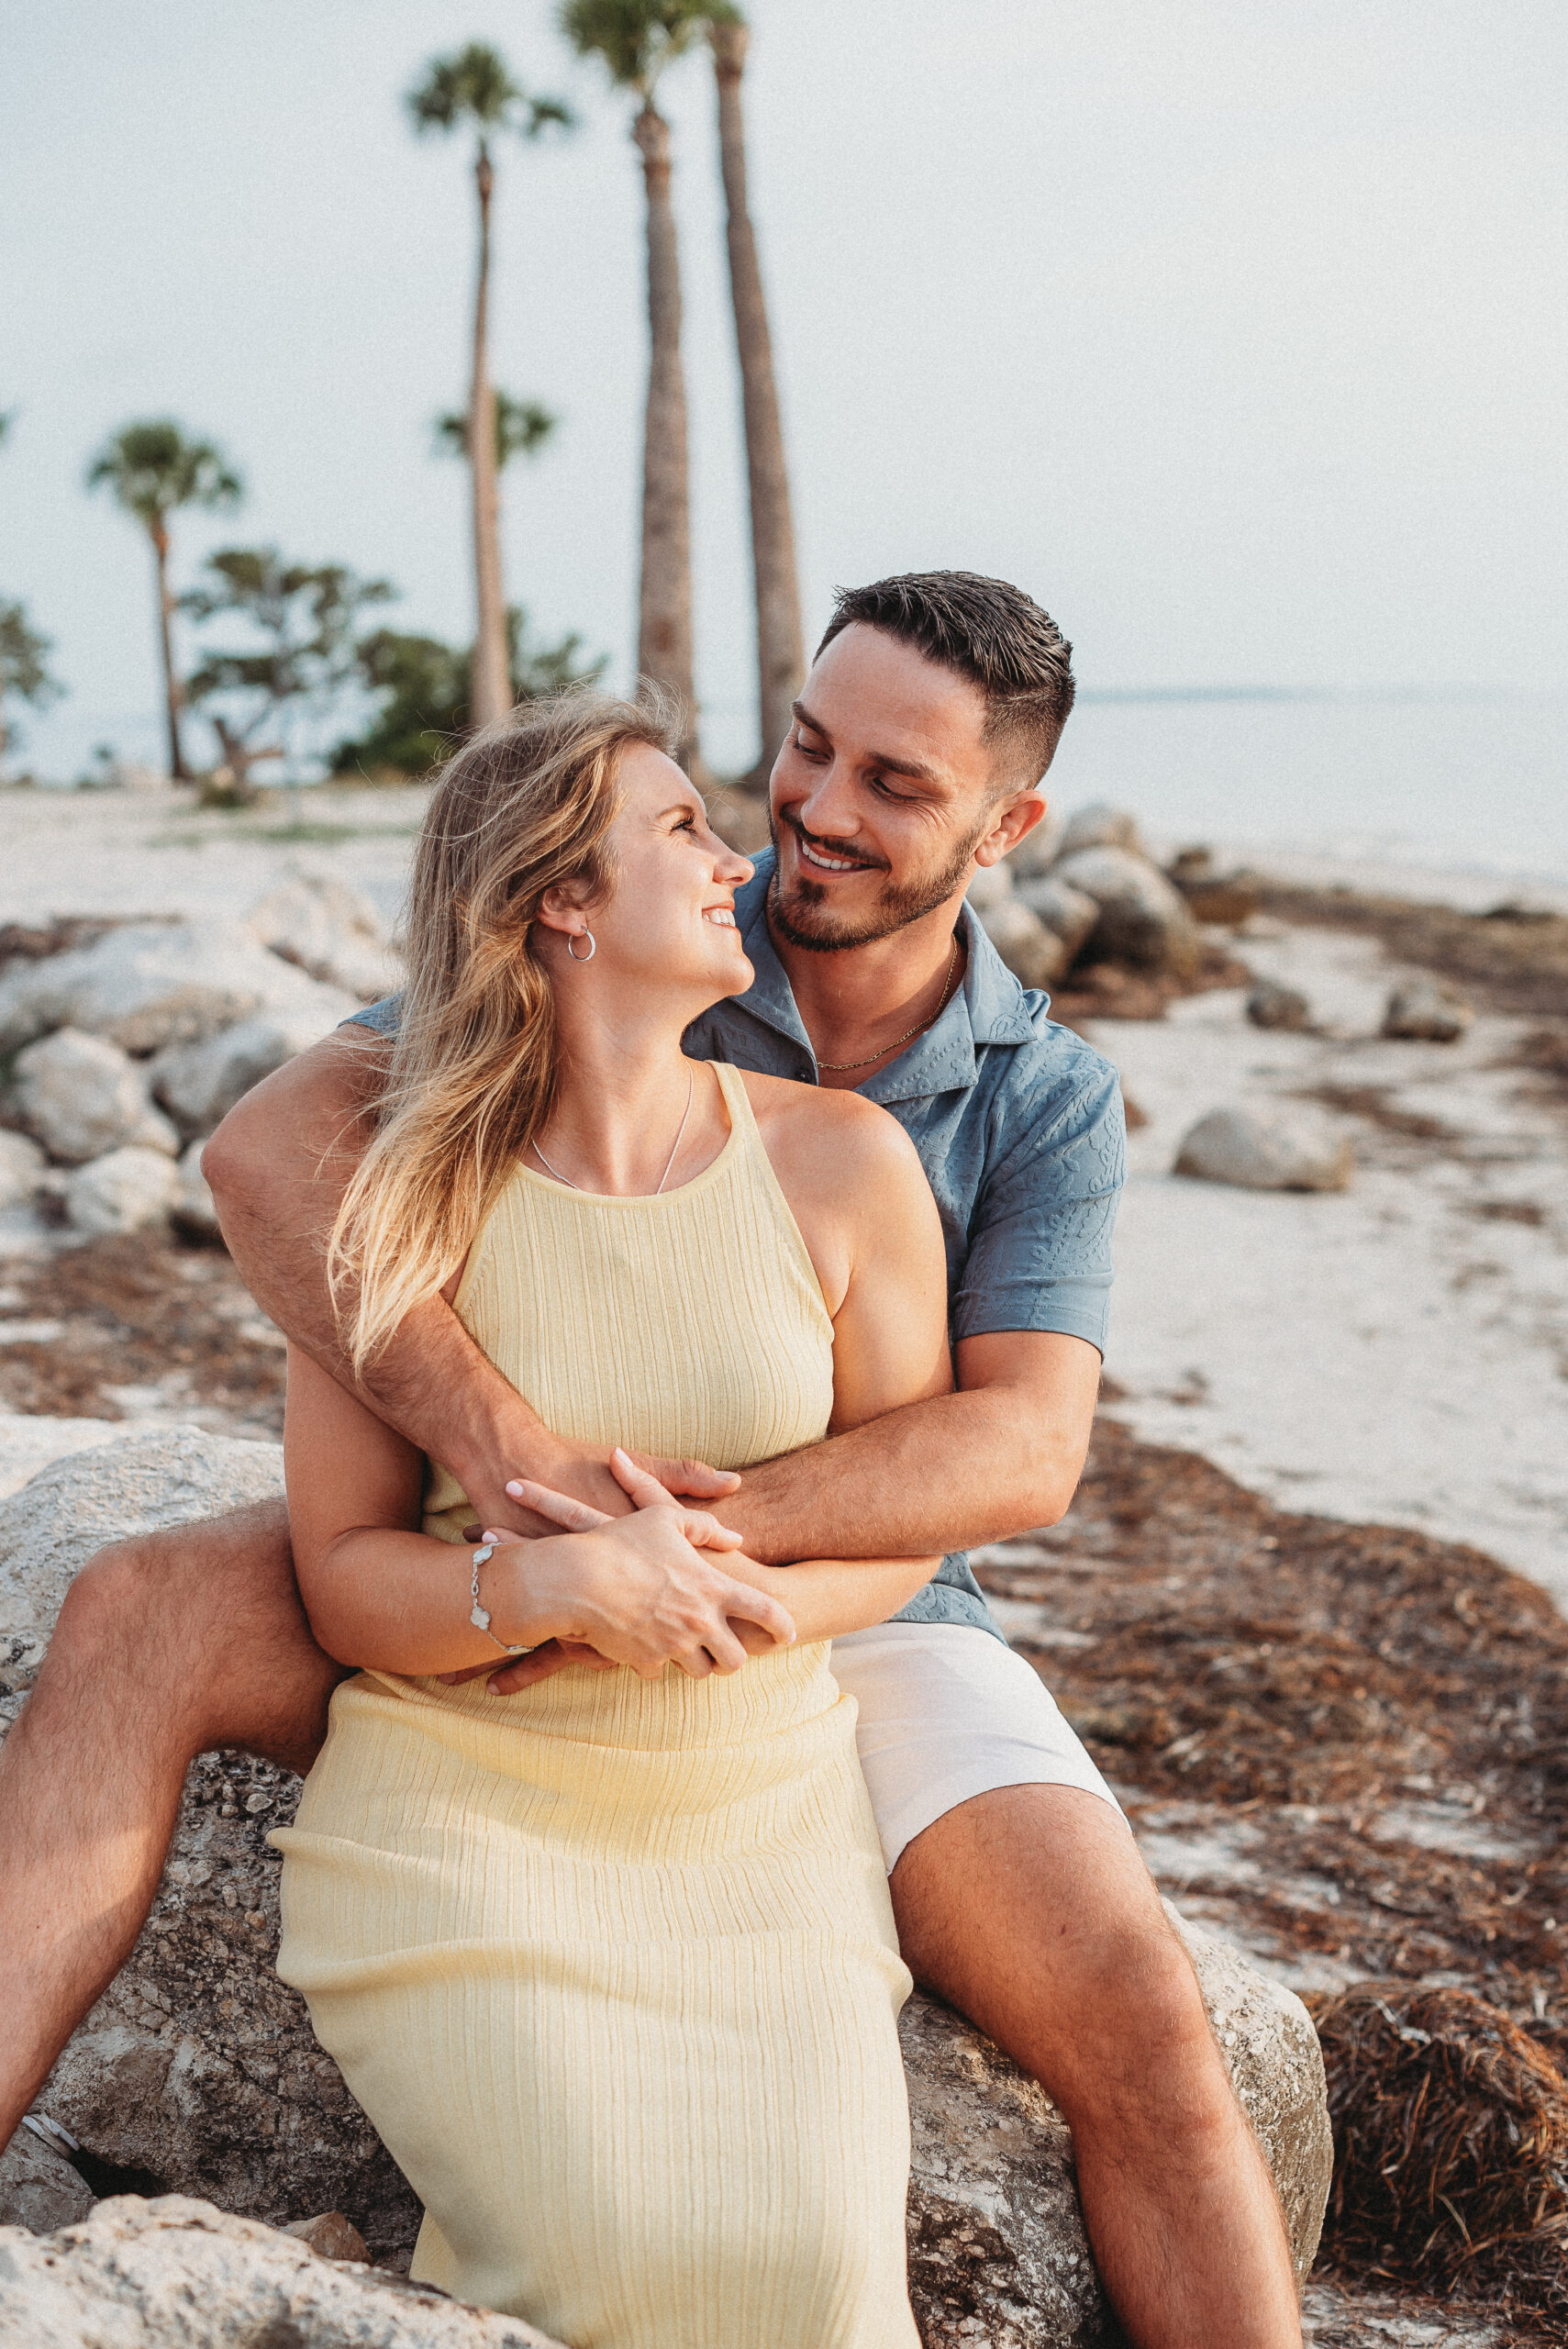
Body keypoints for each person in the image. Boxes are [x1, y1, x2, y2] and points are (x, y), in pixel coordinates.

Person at [0, 572, 1302, 2348]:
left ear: (1007, 827)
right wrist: (519, 1466)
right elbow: (269, 1156)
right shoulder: (627, 907)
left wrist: (690, 1543)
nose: (814, 810)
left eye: (896, 784)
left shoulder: (1036, 1091)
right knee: (142, 1605)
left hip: (864, 1601)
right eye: (807, 746)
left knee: (1143, 2011)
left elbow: (1022, 1443)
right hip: (513, 1531)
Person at [272, 689, 948, 2339]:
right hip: (467, 1820)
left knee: (813, 2267)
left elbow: (907, 1524)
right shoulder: (402, 1190)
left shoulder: (845, 1162)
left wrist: (719, 1600)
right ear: (560, 900)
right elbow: (346, 1579)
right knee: (608, 2248)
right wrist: (561, 1590)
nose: (740, 861)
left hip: (758, 1821)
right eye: (680, 829)